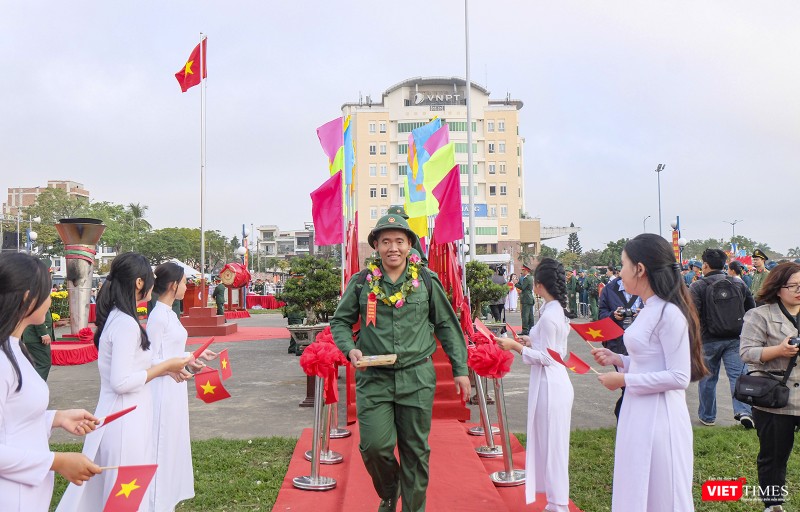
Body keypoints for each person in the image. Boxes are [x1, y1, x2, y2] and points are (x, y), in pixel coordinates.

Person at [330, 214, 470, 512]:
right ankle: (391, 490)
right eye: (385, 242)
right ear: (376, 246)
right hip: (374, 378)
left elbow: (446, 325)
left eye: (399, 241)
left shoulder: (426, 281)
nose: (392, 248)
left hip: (416, 377)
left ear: (409, 245)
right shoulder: (361, 282)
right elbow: (340, 322)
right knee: (374, 447)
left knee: (415, 452)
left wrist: (460, 370)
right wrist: (349, 349)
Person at [57, 253, 191, 512]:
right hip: (124, 421)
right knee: (124, 496)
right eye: (150, 278)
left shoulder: (121, 318)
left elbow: (133, 368)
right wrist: (164, 367)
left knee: (124, 494)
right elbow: (121, 381)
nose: (154, 283)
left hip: (128, 416)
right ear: (139, 283)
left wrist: (168, 368)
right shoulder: (126, 324)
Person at [591, 234, 708, 512]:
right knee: (635, 484)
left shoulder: (669, 313)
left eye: (623, 264)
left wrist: (624, 379)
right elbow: (650, 360)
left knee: (661, 493)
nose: (620, 272)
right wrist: (619, 359)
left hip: (660, 418)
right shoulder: (649, 308)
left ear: (640, 269)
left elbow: (679, 376)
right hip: (639, 410)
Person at [0, 253, 101, 511]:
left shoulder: (15, 348)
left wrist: (57, 417)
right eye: (47, 292)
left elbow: (14, 420)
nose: (51, 299)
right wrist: (57, 461)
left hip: (27, 492)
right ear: (28, 298)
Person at [497, 258, 573, 511]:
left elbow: (549, 357)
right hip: (552, 381)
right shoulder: (556, 310)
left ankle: (558, 503)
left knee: (553, 445)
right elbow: (553, 349)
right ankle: (554, 501)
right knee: (549, 443)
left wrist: (515, 346)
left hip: (551, 384)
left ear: (539, 285)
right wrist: (530, 341)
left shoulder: (551, 314)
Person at [146, 262, 217, 511]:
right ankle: (156, 501)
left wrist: (192, 357)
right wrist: (175, 366)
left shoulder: (170, 314)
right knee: (161, 440)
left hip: (176, 384)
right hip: (162, 387)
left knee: (173, 440)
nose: (187, 287)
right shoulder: (157, 317)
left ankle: (168, 497)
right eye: (185, 282)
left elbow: (172, 352)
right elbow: (149, 359)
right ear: (173, 285)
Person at [739, 262, 800, 512]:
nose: (799, 291)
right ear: (778, 287)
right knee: (774, 456)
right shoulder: (760, 315)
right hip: (775, 397)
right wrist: (779, 350)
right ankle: (773, 504)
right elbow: (746, 352)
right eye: (793, 286)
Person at [690, 248, 756, 428]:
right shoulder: (738, 283)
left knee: (708, 379)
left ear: (705, 265)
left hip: (708, 339)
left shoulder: (698, 286)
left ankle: (707, 416)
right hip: (735, 338)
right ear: (724, 264)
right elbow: (751, 308)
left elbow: (692, 315)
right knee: (738, 376)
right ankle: (744, 411)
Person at [597, 272, 643, 419]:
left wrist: (644, 314)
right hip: (618, 343)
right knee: (627, 386)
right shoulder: (609, 289)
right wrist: (612, 315)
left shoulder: (646, 286)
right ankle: (624, 416)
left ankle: (628, 416)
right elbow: (601, 315)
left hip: (642, 342)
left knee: (637, 382)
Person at [21, 305, 54, 381]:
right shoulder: (37, 297)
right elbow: (37, 314)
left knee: (38, 364)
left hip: (33, 336)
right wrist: (43, 333)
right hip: (36, 337)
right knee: (43, 364)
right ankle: (35, 386)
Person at [516, 264, 535, 334]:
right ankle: (531, 329)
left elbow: (523, 287)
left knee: (525, 315)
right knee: (530, 315)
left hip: (526, 298)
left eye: (523, 270)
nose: (522, 271)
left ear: (526, 271)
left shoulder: (526, 278)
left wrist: (516, 284)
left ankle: (525, 330)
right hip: (529, 298)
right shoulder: (530, 278)